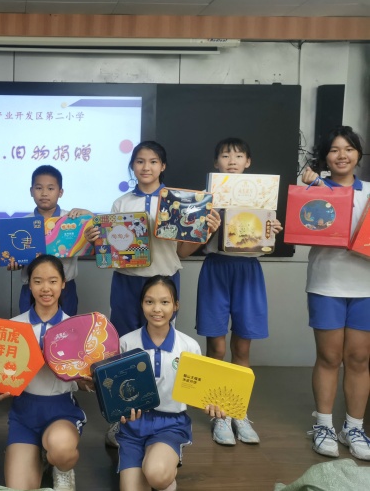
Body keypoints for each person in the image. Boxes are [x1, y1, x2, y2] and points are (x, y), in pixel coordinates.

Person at [85, 141, 220, 448]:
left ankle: (163, 417)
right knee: (124, 350)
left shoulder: (179, 202)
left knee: (162, 348)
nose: (146, 167)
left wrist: (205, 231)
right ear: (132, 166)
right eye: (140, 161)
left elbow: (182, 252)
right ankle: (123, 418)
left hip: (164, 282)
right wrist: (98, 240)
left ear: (163, 166)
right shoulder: (121, 203)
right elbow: (114, 251)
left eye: (153, 161)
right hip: (127, 282)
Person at [195, 138, 282, 446]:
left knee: (242, 349)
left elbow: (265, 245)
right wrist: (205, 224)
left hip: (247, 270)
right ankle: (218, 415)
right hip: (216, 269)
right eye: (225, 155)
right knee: (216, 348)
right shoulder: (205, 197)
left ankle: (237, 410)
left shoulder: (262, 195)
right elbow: (192, 237)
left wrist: (271, 232)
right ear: (216, 163)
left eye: (238, 155)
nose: (231, 160)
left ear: (248, 162)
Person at [0, 255, 90, 491]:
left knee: (62, 450)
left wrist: (89, 381)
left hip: (61, 411)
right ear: (29, 284)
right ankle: (38, 455)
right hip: (24, 413)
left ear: (63, 283)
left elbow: (85, 382)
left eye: (53, 281)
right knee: (19, 488)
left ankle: (61, 467)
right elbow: (1, 376)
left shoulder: (78, 329)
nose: (46, 288)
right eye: (38, 281)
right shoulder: (12, 327)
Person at [116, 275, 224, 491]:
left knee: (157, 475)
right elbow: (118, 395)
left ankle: (165, 475)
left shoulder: (189, 347)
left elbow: (198, 393)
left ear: (176, 306)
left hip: (170, 425)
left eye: (164, 302)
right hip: (133, 428)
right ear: (141, 304)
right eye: (149, 302)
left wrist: (211, 404)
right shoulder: (126, 343)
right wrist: (120, 410)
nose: (157, 309)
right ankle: (151, 461)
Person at [301, 126, 370, 461]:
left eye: (349, 149)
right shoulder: (314, 190)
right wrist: (311, 190)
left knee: (359, 359)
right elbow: (302, 227)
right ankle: (324, 425)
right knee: (329, 357)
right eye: (334, 150)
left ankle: (354, 428)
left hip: (366, 287)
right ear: (325, 157)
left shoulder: (369, 192)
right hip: (326, 283)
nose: (342, 155)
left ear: (358, 154)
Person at [8, 165, 91, 317]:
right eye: (39, 188)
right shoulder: (20, 225)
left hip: (65, 288)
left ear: (60, 192)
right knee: (28, 327)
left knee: (66, 328)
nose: (44, 193)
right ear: (31, 191)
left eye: (51, 188)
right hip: (31, 287)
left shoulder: (73, 219)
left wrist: (89, 216)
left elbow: (100, 232)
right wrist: (14, 262)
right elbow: (15, 256)